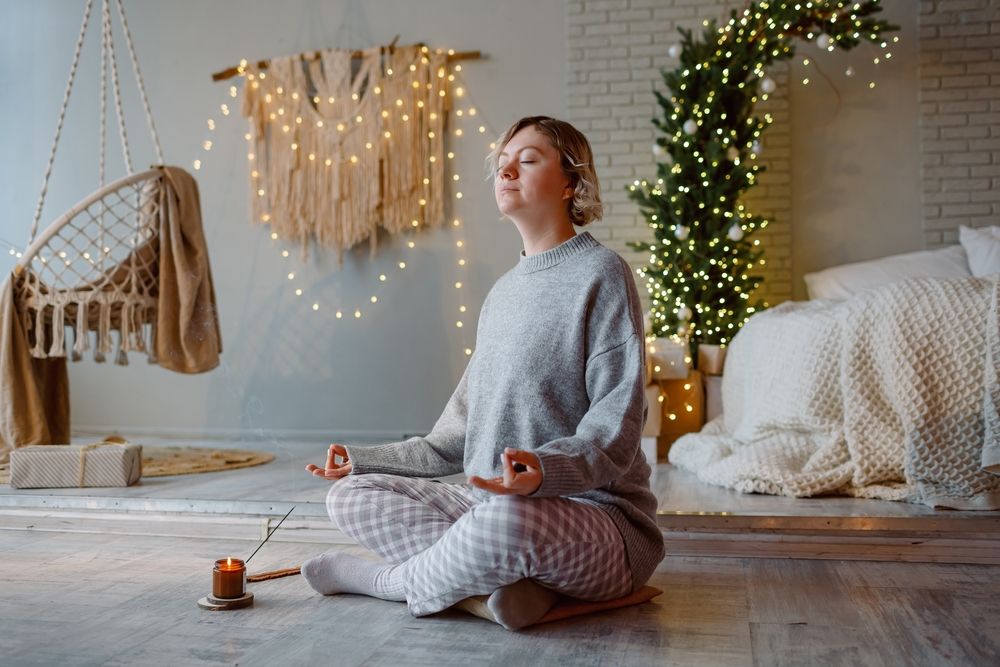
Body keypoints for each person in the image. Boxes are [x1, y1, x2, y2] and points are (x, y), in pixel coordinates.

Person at [302, 115, 664, 631]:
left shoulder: (602, 274)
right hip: (490, 508)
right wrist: (360, 462)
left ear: (570, 182)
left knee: (505, 520)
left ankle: (387, 582)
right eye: (502, 163)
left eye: (529, 159)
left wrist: (543, 471)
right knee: (351, 497)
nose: (507, 170)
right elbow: (453, 440)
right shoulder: (500, 295)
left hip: (600, 521)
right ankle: (515, 588)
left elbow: (616, 429)